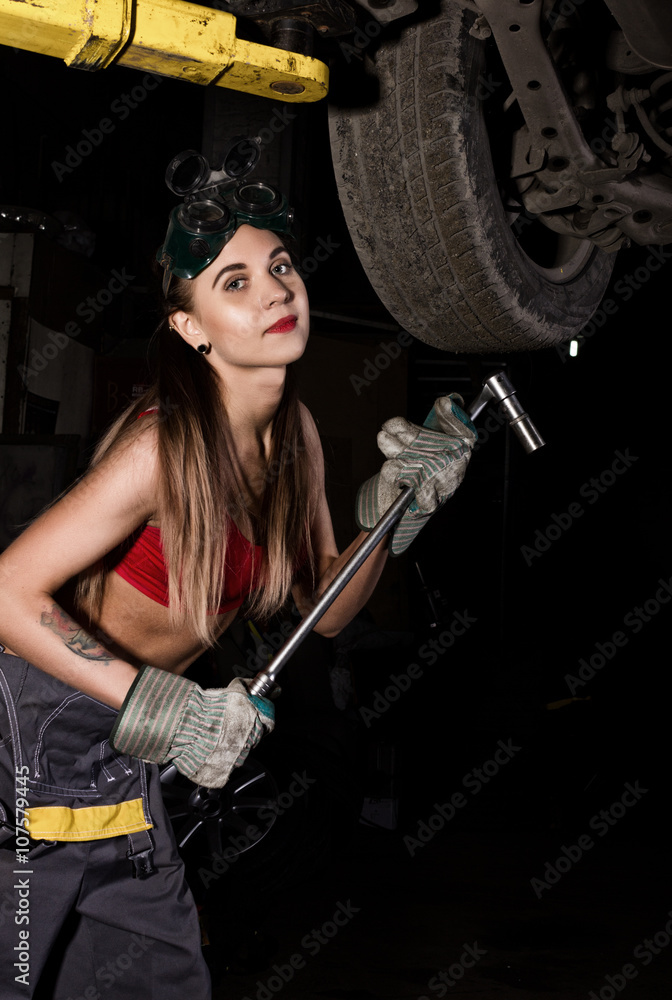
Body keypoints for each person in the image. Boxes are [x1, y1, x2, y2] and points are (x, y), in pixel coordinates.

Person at [0, 156, 476, 999]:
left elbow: (326, 612)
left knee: (160, 977)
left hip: (132, 742)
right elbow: (7, 590)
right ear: (193, 329)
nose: (274, 292)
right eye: (236, 281)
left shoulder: (295, 432)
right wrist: (160, 705)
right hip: (35, 728)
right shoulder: (162, 447)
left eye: (281, 267)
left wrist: (399, 511)